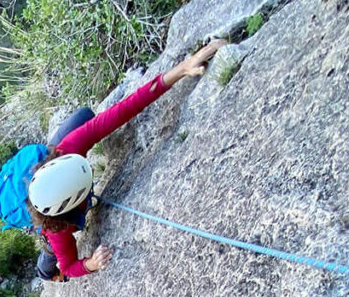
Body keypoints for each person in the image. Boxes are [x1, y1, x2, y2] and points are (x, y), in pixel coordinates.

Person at [28, 40, 224, 279]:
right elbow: (69, 267)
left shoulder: (69, 149)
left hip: (54, 171)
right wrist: (90, 263)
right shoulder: (57, 230)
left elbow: (124, 109)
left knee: (85, 116)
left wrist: (181, 69)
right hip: (48, 223)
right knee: (50, 266)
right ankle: (45, 273)